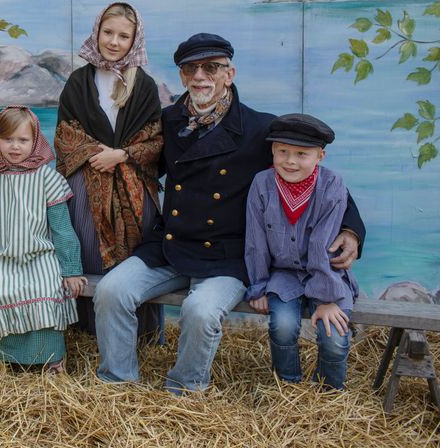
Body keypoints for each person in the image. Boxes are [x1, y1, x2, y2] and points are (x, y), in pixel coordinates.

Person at [93, 33, 366, 394]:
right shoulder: (170, 120)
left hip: (227, 253)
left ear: (230, 73)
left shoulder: (260, 127)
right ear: (182, 77)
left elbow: (315, 178)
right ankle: (117, 382)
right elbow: (143, 159)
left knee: (201, 312)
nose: (200, 76)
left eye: (211, 67)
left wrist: (351, 228)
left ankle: (185, 390)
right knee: (111, 290)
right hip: (172, 242)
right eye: (191, 68)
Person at [54, 2, 163, 339]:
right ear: (97, 32)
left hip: (132, 190)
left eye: (123, 36)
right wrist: (93, 154)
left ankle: (140, 333)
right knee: (87, 251)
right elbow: (64, 134)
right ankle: (87, 332)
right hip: (86, 185)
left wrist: (120, 155)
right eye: (108, 32)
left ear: (135, 40)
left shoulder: (143, 85)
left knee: (134, 259)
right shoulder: (78, 82)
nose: (114, 41)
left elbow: (155, 138)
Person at [0, 106, 86, 372]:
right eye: (8, 139)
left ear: (35, 141)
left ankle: (51, 359)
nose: (15, 147)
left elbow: (62, 229)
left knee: (44, 288)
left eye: (23, 140)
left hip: (38, 255)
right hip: (0, 255)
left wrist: (71, 270)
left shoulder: (47, 178)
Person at [245, 113, 358, 390]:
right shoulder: (262, 184)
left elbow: (323, 245)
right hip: (283, 276)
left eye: (302, 154)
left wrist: (327, 299)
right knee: (282, 328)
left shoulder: (332, 186)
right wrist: (259, 287)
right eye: (282, 151)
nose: (291, 161)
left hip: (328, 276)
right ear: (272, 150)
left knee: (333, 336)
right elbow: (256, 240)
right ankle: (288, 387)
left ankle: (329, 391)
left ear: (320, 156)